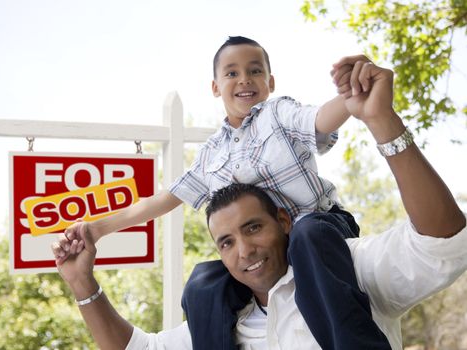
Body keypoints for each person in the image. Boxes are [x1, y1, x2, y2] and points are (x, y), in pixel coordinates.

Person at [54, 57, 467, 349]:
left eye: (253, 228)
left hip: (322, 233)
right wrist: (85, 268)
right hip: (278, 252)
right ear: (215, 87)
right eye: (226, 241)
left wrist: (370, 112)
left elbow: (442, 244)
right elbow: (163, 200)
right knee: (202, 281)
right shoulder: (213, 157)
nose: (244, 249)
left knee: (310, 235)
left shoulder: (347, 267)